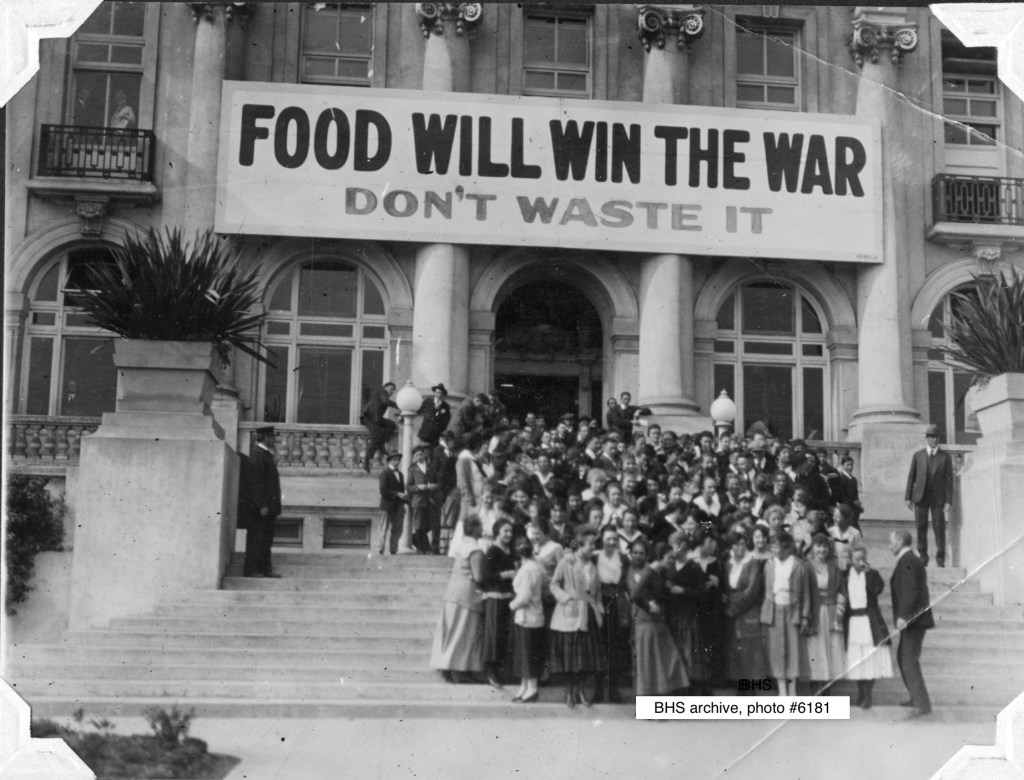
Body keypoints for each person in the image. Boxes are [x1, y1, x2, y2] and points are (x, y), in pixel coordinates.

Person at [549, 524, 603, 708]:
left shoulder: (592, 565)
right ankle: (570, 690)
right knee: (570, 655)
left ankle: (580, 689)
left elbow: (597, 591)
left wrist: (599, 607)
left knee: (585, 657)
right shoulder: (567, 562)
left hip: (587, 612)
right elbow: (554, 584)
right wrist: (565, 598)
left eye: (594, 545)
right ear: (580, 545)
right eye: (590, 544)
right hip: (569, 613)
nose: (593, 548)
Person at [836, 543, 893, 710]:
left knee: (870, 658)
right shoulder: (845, 576)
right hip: (853, 620)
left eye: (862, 558)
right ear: (851, 561)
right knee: (856, 659)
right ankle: (861, 691)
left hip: (869, 620)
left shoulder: (872, 575)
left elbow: (877, 589)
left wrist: (869, 574)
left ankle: (868, 694)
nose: (860, 562)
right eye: (856, 559)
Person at [430, 515, 486, 682]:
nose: (482, 529)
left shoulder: (461, 546)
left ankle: (448, 666)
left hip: (453, 591)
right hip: (467, 594)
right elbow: (479, 577)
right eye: (480, 527)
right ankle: (460, 670)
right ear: (475, 529)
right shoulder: (475, 550)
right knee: (464, 631)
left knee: (452, 629)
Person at [630, 540, 690, 696]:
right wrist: (648, 606)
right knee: (649, 665)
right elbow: (634, 595)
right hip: (647, 623)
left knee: (663, 662)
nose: (672, 561)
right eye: (669, 558)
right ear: (660, 558)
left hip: (657, 623)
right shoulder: (648, 572)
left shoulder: (659, 573)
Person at [760, 530, 814, 696]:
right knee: (777, 652)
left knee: (792, 651)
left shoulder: (799, 566)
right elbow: (766, 590)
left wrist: (805, 616)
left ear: (787, 547)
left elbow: (806, 594)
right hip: (774, 612)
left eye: (779, 547)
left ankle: (792, 692)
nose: (776, 551)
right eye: (773, 547)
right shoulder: (769, 564)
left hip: (793, 612)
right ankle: (782, 691)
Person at [889, 529, 934, 717]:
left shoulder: (907, 560)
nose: (889, 545)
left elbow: (909, 590)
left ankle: (921, 705)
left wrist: (903, 616)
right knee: (903, 658)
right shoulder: (909, 558)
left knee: (908, 660)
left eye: (891, 541)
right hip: (915, 619)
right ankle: (917, 698)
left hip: (914, 620)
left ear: (899, 541)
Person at [723, 529, 769, 692]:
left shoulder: (753, 562)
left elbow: (752, 591)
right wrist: (729, 603)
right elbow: (727, 590)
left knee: (751, 650)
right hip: (734, 614)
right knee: (736, 649)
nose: (740, 548)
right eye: (736, 545)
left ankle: (751, 689)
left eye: (743, 544)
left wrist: (733, 607)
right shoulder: (728, 564)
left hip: (748, 611)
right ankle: (740, 687)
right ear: (731, 547)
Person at [904, 424, 954, 567]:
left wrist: (948, 500)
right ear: (926, 439)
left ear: (939, 438)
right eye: (930, 437)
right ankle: (923, 556)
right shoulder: (918, 455)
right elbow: (911, 477)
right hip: (920, 497)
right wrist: (907, 497)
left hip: (938, 498)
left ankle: (940, 558)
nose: (933, 440)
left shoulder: (945, 457)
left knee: (939, 528)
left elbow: (949, 481)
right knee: (921, 527)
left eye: (936, 437)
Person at [593, 525, 631, 703]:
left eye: (615, 539)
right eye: (608, 539)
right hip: (599, 603)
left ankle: (614, 689)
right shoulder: (595, 557)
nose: (611, 542)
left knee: (615, 648)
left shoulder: (623, 558)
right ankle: (598, 689)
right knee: (599, 646)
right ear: (602, 539)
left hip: (617, 603)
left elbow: (627, 583)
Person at [804, 534, 845, 695]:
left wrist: (839, 608)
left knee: (829, 649)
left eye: (824, 547)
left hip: (830, 612)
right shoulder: (807, 567)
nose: (821, 549)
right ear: (813, 548)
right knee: (814, 650)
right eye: (818, 546)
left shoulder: (834, 567)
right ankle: (814, 686)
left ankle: (826, 688)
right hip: (813, 612)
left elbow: (842, 589)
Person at [239, 426, 282, 578]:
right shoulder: (258, 455)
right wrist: (262, 505)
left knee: (265, 539)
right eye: (272, 436)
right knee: (257, 539)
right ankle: (252, 570)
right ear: (265, 437)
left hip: (267, 507)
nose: (274, 439)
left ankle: (264, 570)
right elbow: (256, 483)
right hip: (261, 508)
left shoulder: (265, 455)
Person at [481, 518, 517, 688]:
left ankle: (501, 671)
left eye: (511, 531)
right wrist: (506, 575)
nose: (509, 534)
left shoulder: (511, 550)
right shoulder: (492, 550)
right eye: (505, 531)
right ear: (497, 532)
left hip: (508, 598)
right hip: (495, 597)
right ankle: (490, 670)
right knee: (493, 634)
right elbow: (485, 575)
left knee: (504, 635)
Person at [508, 536, 544, 703]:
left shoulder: (528, 570)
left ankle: (532, 688)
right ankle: (524, 686)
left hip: (528, 615)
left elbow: (524, 596)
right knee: (524, 653)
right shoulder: (534, 567)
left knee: (528, 653)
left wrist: (511, 605)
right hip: (531, 615)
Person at [407, 444, 439, 554]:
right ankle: (424, 549)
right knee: (419, 526)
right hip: (418, 501)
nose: (419, 457)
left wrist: (434, 486)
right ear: (414, 457)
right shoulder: (412, 469)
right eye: (417, 455)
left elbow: (436, 481)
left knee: (429, 525)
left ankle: (416, 542)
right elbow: (409, 487)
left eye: (420, 454)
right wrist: (418, 487)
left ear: (424, 455)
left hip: (430, 500)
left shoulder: (430, 467)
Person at [361, 382, 398, 472]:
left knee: (391, 425)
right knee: (376, 437)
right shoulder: (382, 392)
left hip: (376, 419)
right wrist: (399, 405)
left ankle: (382, 443)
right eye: (391, 388)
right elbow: (386, 401)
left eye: (393, 390)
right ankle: (366, 460)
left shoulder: (382, 394)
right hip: (368, 418)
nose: (392, 391)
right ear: (385, 388)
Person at [376, 451, 407, 555]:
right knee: (383, 529)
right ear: (389, 461)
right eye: (395, 459)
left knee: (397, 530)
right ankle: (380, 549)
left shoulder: (401, 475)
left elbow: (402, 491)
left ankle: (393, 549)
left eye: (398, 459)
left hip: (398, 507)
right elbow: (383, 490)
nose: (397, 461)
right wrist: (397, 494)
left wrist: (405, 499)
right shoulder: (385, 473)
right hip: (387, 506)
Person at [417, 383, 452, 448]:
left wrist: (442, 432)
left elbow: (446, 421)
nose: (439, 395)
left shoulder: (446, 406)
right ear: (434, 393)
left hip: (436, 435)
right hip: (425, 432)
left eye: (441, 393)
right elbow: (417, 410)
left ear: (443, 394)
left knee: (433, 453)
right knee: (422, 451)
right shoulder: (428, 401)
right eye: (437, 393)